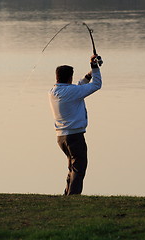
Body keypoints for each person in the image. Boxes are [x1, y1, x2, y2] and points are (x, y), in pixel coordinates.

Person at [49, 55, 102, 195]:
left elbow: (77, 87)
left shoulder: (54, 91)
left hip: (61, 138)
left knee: (72, 167)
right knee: (79, 167)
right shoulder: (71, 92)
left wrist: (89, 74)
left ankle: (67, 194)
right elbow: (97, 85)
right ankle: (73, 197)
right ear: (69, 78)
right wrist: (95, 67)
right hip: (74, 137)